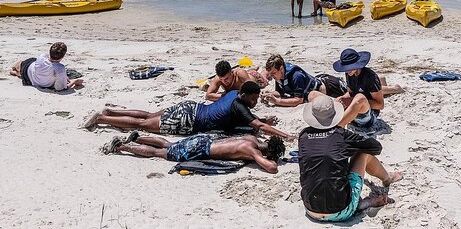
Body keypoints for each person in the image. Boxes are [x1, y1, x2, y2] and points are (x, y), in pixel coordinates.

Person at [298, 95, 402, 222]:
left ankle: (361, 204)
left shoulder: (303, 136)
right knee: (362, 154)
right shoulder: (341, 135)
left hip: (310, 209)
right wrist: (352, 146)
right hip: (341, 211)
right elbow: (376, 148)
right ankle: (387, 178)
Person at [84, 81, 295, 140]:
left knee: (149, 115)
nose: (256, 101)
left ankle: (110, 112)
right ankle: (102, 119)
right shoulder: (240, 106)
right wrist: (286, 135)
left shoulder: (233, 94)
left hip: (190, 107)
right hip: (188, 121)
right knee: (143, 125)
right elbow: (256, 125)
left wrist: (263, 117)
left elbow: (245, 117)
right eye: (255, 98)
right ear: (247, 96)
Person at [102, 132, 285, 174]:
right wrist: (272, 159)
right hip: (202, 150)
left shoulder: (251, 138)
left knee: (170, 144)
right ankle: (122, 147)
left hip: (205, 140)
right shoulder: (252, 151)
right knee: (161, 153)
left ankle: (139, 137)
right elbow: (272, 169)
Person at [261, 54, 347, 107]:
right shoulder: (279, 75)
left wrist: (277, 101)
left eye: (273, 73)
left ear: (281, 68)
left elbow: (298, 100)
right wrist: (270, 94)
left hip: (330, 87)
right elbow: (281, 92)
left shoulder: (296, 76)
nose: (272, 76)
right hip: (315, 83)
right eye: (270, 74)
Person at [332, 48, 385, 128]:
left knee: (360, 97)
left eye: (349, 68)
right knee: (337, 100)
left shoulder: (370, 77)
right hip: (354, 111)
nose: (347, 71)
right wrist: (342, 99)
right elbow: (350, 93)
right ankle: (328, 124)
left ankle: (338, 128)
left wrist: (352, 101)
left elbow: (380, 105)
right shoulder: (350, 74)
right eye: (345, 68)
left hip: (369, 116)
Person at [10, 42, 83, 91]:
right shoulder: (60, 68)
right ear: (63, 56)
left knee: (21, 64)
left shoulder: (42, 57)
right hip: (31, 81)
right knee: (21, 69)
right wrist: (74, 81)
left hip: (28, 71)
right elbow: (60, 88)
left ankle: (16, 70)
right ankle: (16, 73)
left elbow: (49, 60)